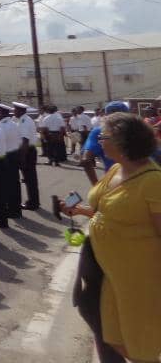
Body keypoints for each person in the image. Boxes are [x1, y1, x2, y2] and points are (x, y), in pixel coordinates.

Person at [63, 112, 161, 363]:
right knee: (112, 334)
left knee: (140, 339)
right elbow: (106, 209)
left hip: (138, 276)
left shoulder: (152, 181)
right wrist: (79, 211)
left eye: (103, 136)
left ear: (122, 142)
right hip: (107, 269)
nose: (99, 141)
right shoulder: (117, 168)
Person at [81, 101, 129, 185]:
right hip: (144, 179)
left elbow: (85, 160)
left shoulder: (99, 132)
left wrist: (96, 185)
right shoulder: (138, 130)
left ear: (106, 115)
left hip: (114, 182)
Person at [11, 102, 40, 210]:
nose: (14, 112)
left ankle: (33, 203)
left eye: (15, 110)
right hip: (27, 150)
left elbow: (25, 141)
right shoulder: (23, 120)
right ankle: (33, 201)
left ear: (21, 110)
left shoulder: (24, 121)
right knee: (30, 179)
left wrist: (22, 158)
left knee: (30, 179)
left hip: (27, 151)